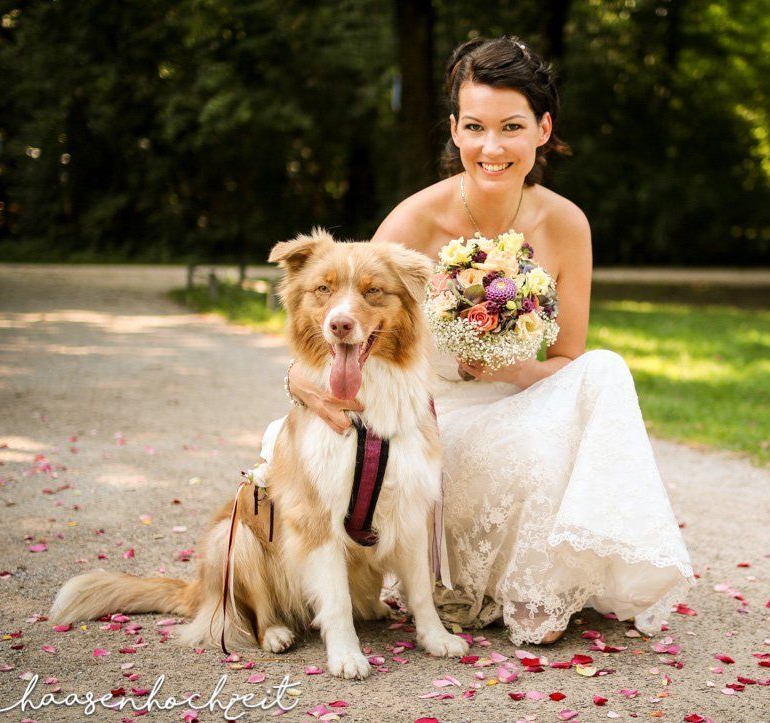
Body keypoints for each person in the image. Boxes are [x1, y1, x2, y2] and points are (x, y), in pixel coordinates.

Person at [285, 37, 693, 645]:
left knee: (607, 370)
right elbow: (342, 318)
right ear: (454, 130)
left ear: (543, 128)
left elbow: (568, 360)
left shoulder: (567, 224)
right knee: (528, 447)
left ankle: (568, 574)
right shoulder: (413, 221)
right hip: (433, 421)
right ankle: (510, 589)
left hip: (518, 397)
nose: (492, 147)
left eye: (511, 127)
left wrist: (508, 370)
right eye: (474, 127)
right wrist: (295, 379)